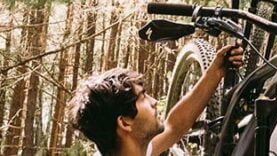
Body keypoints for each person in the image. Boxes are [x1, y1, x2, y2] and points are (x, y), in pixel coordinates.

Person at [68, 44, 243, 156]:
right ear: (125, 122)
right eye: (142, 97)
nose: (153, 101)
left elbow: (175, 126)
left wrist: (215, 72)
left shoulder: (130, 150)